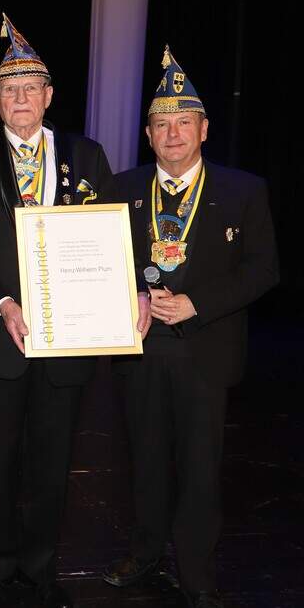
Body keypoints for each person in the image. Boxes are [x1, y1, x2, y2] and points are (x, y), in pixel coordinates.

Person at [0, 14, 113, 608]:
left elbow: (109, 240)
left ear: (49, 96)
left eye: (30, 89)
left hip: (68, 338)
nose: (20, 99)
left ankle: (41, 570)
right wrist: (3, 302)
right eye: (9, 90)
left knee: (53, 461)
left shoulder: (86, 156)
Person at [100, 47, 278, 608]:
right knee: (145, 461)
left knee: (200, 469)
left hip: (206, 350)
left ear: (203, 129)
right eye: (161, 125)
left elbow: (263, 270)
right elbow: (105, 259)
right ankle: (145, 551)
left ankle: (197, 570)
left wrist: (196, 302)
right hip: (141, 349)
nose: (172, 134)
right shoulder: (121, 188)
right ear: (148, 135)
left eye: (183, 123)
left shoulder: (244, 190)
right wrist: (132, 290)